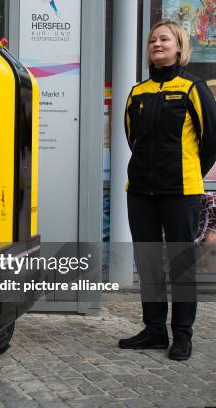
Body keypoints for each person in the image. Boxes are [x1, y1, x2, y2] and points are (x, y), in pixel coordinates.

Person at [119, 20, 216, 360]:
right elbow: (133, 139)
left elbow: (210, 141)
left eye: (164, 39)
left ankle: (183, 335)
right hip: (141, 191)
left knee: (180, 264)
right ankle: (154, 330)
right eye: (152, 40)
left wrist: (187, 173)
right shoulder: (138, 92)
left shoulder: (193, 88)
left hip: (181, 191)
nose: (157, 44)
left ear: (179, 48)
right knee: (148, 262)